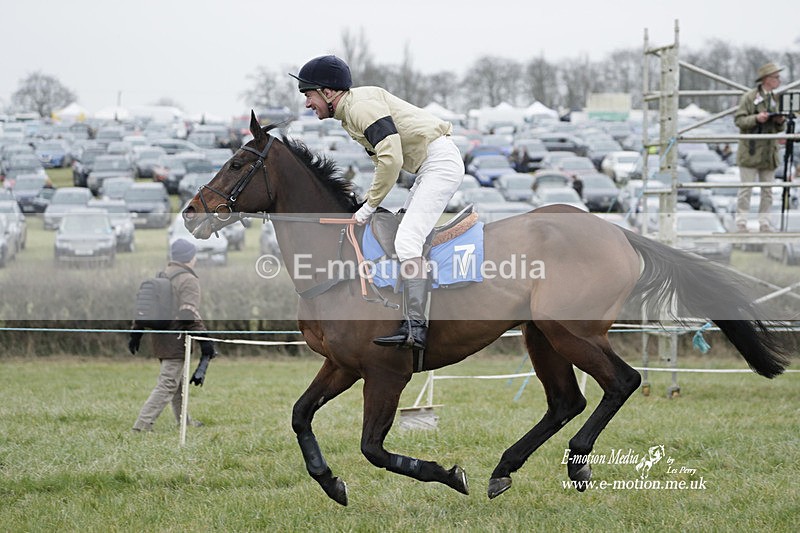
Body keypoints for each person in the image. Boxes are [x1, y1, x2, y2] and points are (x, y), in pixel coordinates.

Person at [290, 55, 465, 350]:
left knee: (407, 241)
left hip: (439, 164)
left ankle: (416, 328)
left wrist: (369, 206)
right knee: (404, 237)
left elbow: (391, 158)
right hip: (429, 165)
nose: (307, 103)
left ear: (328, 92)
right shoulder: (351, 111)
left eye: (309, 95)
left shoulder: (360, 108)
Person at [128, 238, 216, 432]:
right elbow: (188, 314)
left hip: (160, 339)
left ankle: (184, 421)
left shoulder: (163, 274)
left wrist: (136, 331)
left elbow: (146, 307)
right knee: (168, 384)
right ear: (189, 258)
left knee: (178, 384)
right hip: (177, 340)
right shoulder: (188, 280)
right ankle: (141, 426)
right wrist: (205, 342)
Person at [734, 62, 786, 233]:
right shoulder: (749, 97)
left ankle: (764, 222)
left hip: (768, 153)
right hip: (751, 149)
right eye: (775, 77)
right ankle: (741, 222)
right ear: (766, 79)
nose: (778, 80)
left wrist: (779, 121)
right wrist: (757, 118)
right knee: (746, 189)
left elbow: (780, 129)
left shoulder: (776, 99)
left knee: (768, 191)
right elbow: (739, 120)